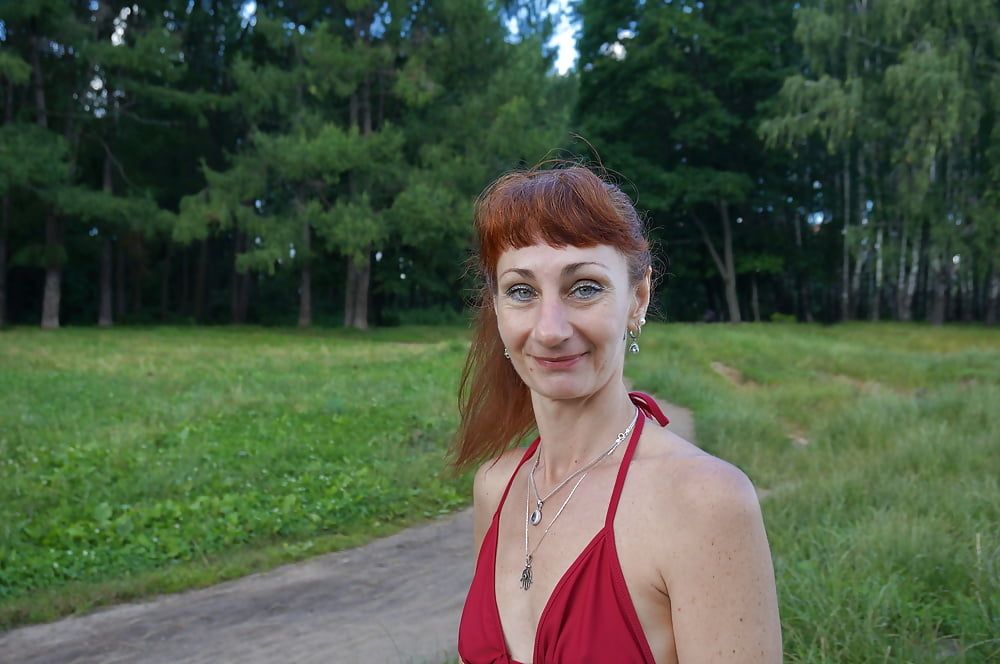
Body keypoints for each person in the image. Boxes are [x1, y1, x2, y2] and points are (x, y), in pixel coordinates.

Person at [454, 165, 782, 663]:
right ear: (496, 307)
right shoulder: (495, 487)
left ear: (639, 297)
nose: (550, 330)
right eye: (522, 291)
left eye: (584, 287)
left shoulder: (706, 504)